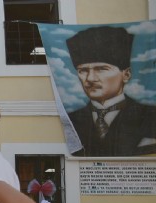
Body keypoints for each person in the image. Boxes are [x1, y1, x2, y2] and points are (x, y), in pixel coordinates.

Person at [65, 26, 156, 156]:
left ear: (126, 74)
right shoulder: (70, 121)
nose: (90, 78)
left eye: (101, 69)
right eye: (83, 70)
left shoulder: (150, 116)